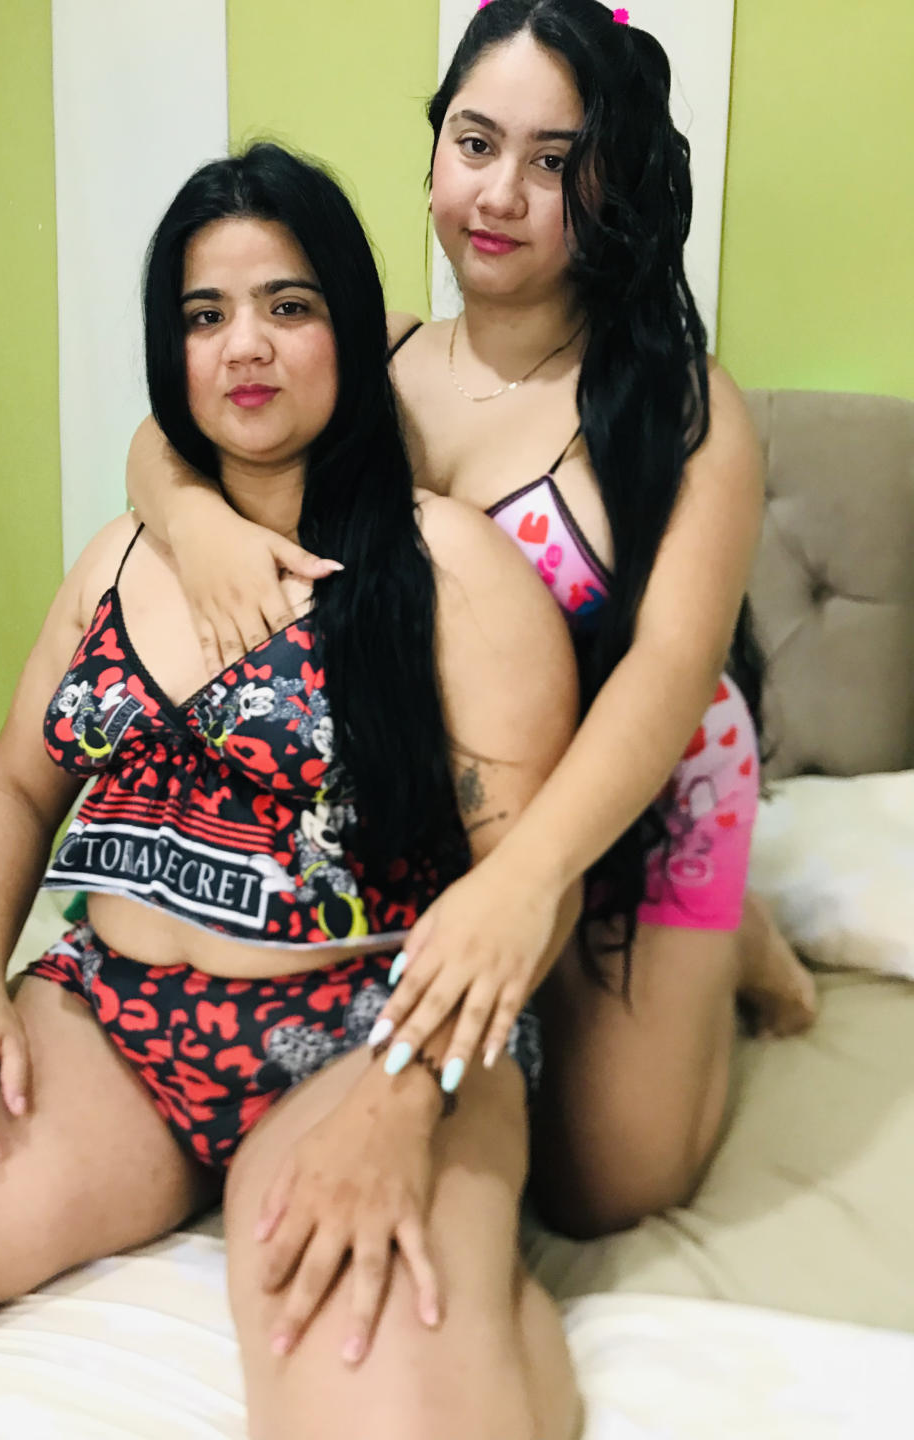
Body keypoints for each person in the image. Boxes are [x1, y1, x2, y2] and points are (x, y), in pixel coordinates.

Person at [0, 143, 585, 1439]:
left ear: (349, 329)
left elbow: (535, 883)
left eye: (288, 306)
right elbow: (16, 785)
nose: (245, 345)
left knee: (379, 1401)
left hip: (369, 1033)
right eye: (204, 315)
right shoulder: (118, 557)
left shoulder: (450, 571)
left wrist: (405, 1096)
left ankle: (499, 1306)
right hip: (109, 1027)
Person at [125, 0, 816, 1240]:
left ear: (616, 182)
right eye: (477, 143)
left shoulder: (679, 408)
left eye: (555, 162)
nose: (500, 193)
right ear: (437, 148)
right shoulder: (377, 358)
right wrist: (194, 522)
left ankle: (731, 941)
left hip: (638, 785)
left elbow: (669, 668)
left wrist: (531, 882)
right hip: (463, 789)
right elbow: (167, 431)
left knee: (608, 1190)